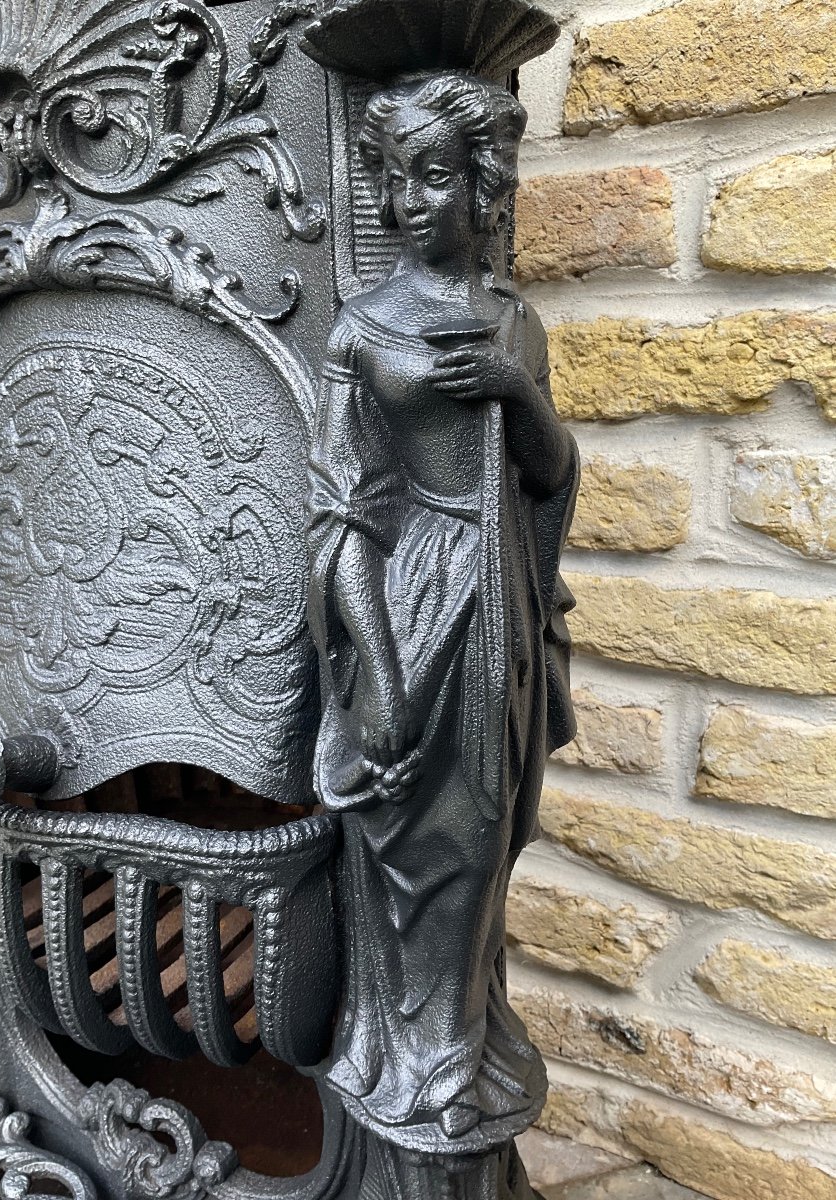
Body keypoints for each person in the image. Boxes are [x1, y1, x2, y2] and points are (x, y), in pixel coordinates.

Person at [306, 70, 579, 1160]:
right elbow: (341, 518)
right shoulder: (360, 331)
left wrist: (522, 395)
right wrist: (374, 669)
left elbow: (551, 478)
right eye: (395, 179)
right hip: (411, 602)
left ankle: (461, 1056)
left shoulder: (518, 323)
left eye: (436, 176)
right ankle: (412, 1062)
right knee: (411, 848)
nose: (412, 200)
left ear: (483, 185)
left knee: (484, 837)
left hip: (499, 609)